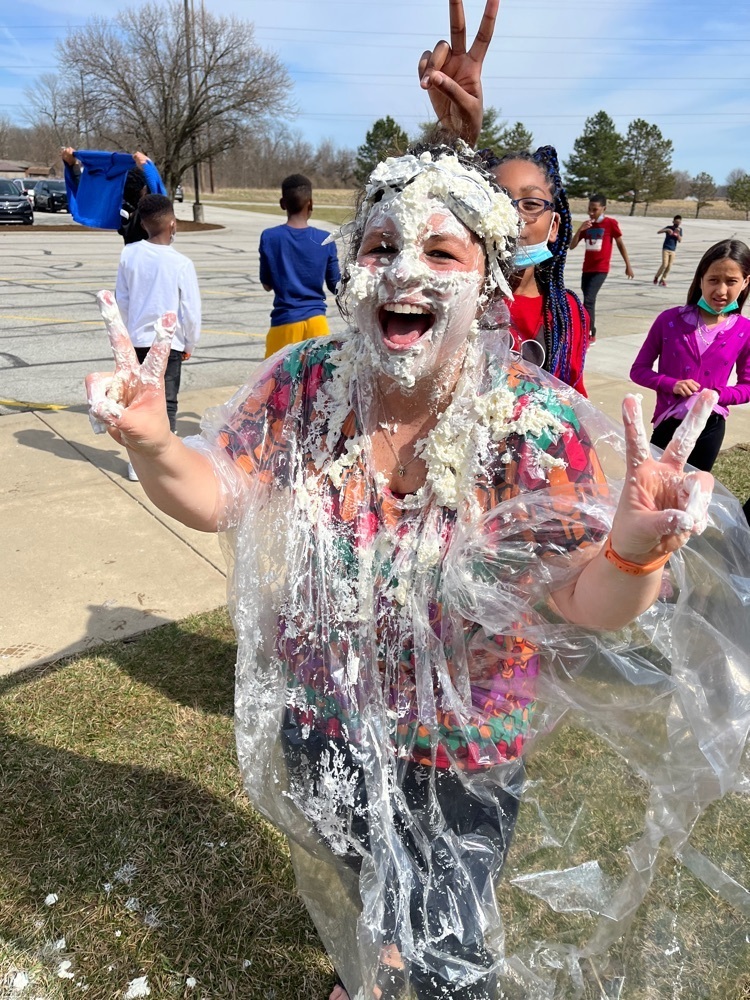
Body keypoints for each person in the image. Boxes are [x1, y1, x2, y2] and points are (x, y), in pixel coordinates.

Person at [83, 139, 744, 1000]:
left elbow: (588, 601)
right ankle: (379, 960)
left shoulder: (533, 423)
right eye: (381, 247)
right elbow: (220, 495)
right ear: (352, 268)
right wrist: (155, 443)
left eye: (441, 252)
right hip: (327, 714)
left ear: (491, 283)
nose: (406, 271)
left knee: (452, 933)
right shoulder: (307, 385)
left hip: (464, 743)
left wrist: (632, 551)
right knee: (365, 877)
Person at [416, 1, 588, 393]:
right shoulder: (453, 294)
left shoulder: (567, 314)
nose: (514, 217)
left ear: (555, 222)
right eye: (499, 202)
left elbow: (575, 401)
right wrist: (455, 140)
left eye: (531, 204)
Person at [630, 238, 750, 473]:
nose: (721, 290)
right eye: (713, 280)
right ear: (701, 279)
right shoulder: (669, 320)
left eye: (731, 281)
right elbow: (638, 370)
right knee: (654, 491)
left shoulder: (745, 331)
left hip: (710, 427)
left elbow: (748, 386)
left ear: (746, 282)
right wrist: (670, 384)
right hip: (668, 423)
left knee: (689, 495)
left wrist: (718, 395)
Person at [114, 193, 201, 480]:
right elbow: (191, 309)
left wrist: (125, 338)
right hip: (169, 345)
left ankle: (136, 463)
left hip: (137, 341)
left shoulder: (129, 254)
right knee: (167, 403)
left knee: (137, 402)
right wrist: (190, 342)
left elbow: (121, 301)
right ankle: (164, 459)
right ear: (172, 224)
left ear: (141, 223)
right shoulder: (181, 263)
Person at [259, 173, 341, 358]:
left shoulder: (270, 237)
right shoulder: (325, 239)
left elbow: (266, 284)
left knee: (276, 384)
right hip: (317, 323)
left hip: (284, 322)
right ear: (311, 203)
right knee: (319, 383)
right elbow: (335, 284)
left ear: (282, 204)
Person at [61, 147, 168, 241]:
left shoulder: (124, 218)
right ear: (144, 191)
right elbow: (160, 199)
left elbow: (89, 196)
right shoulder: (151, 221)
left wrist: (73, 166)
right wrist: (148, 167)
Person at [569, 194, 634, 343]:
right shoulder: (588, 226)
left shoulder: (610, 223)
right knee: (587, 299)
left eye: (595, 209)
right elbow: (572, 246)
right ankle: (588, 329)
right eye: (589, 209)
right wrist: (580, 229)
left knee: (589, 300)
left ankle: (589, 333)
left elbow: (620, 244)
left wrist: (628, 265)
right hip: (587, 268)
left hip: (601, 269)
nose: (591, 213)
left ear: (603, 208)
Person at [653, 214, 683, 287]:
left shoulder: (680, 229)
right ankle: (656, 277)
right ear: (673, 221)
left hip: (673, 250)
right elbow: (658, 232)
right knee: (664, 264)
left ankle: (663, 280)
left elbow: (680, 240)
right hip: (666, 248)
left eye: (679, 222)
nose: (677, 223)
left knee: (669, 266)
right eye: (676, 222)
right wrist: (666, 230)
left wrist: (677, 233)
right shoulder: (669, 227)